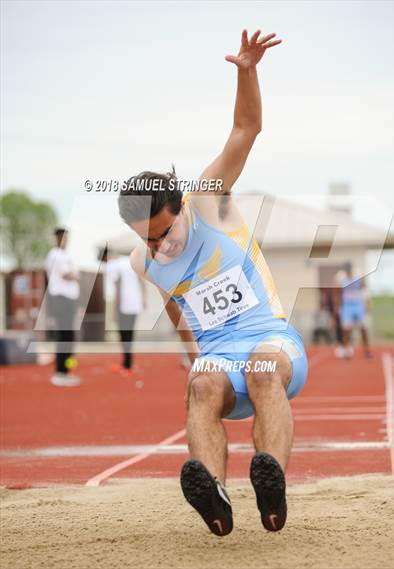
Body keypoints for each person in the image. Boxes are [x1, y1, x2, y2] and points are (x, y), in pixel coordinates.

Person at [119, 30, 308, 536]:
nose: (160, 247)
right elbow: (178, 310)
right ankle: (217, 498)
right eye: (147, 241)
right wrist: (195, 361)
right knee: (201, 384)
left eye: (163, 234)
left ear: (180, 206)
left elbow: (246, 129)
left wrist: (247, 71)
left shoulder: (208, 200)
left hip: (270, 340)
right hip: (220, 355)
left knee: (263, 370)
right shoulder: (146, 261)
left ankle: (271, 486)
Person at [101, 247, 147, 377]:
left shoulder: (114, 265)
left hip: (124, 305)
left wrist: (115, 309)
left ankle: (127, 364)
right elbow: (141, 280)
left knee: (124, 335)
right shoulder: (129, 261)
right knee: (129, 334)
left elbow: (118, 287)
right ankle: (128, 363)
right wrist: (144, 298)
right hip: (135, 303)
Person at [46, 228, 81, 386]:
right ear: (57, 238)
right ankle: (60, 372)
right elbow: (68, 274)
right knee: (64, 335)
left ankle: (65, 371)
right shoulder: (55, 255)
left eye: (67, 237)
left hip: (69, 300)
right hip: (61, 300)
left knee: (69, 336)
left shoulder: (66, 256)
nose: (65, 240)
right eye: (63, 237)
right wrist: (75, 274)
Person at [338, 266, 372, 359]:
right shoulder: (343, 281)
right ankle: (346, 351)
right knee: (346, 330)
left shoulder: (357, 279)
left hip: (358, 306)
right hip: (347, 307)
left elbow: (364, 287)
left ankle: (367, 350)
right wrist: (339, 307)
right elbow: (338, 293)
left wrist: (364, 276)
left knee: (363, 329)